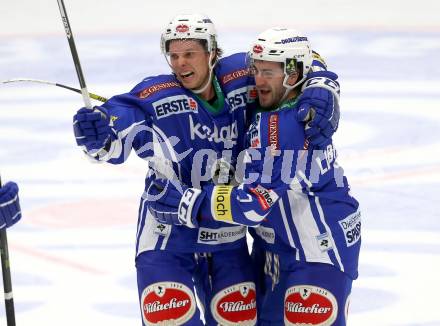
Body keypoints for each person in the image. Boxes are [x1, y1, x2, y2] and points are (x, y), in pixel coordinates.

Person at [72, 14, 340, 325]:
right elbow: (117, 128)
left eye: (189, 54)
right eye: (173, 55)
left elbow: (300, 58)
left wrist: (324, 83)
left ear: (212, 52)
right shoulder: (155, 95)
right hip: (167, 237)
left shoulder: (244, 73)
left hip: (228, 237)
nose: (180, 64)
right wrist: (98, 134)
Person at [147, 28, 360, 326]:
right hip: (273, 246)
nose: (257, 81)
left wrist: (189, 202)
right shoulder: (279, 99)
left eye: (268, 73)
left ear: (293, 74)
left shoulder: (286, 126)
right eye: (255, 70)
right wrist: (324, 80)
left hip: (315, 250)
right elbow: (311, 59)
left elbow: (252, 204)